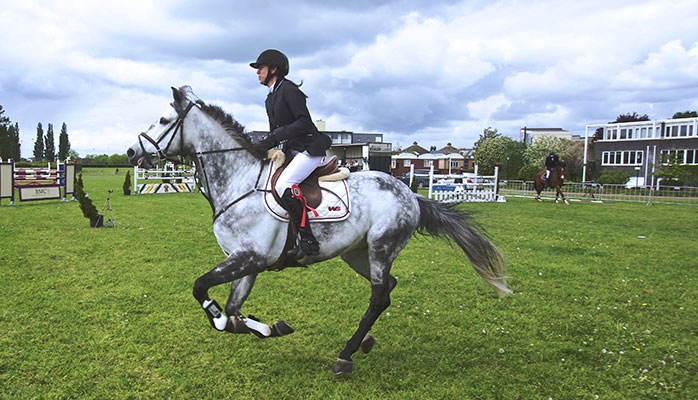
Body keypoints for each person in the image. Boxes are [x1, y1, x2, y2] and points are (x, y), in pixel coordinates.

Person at [251, 49, 331, 259]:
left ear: (274, 69)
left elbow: (304, 122)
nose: (257, 72)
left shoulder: (289, 90)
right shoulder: (270, 98)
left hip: (309, 150)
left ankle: (307, 239)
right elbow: (274, 132)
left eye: (260, 68)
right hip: (291, 151)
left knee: (283, 185)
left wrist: (275, 136)